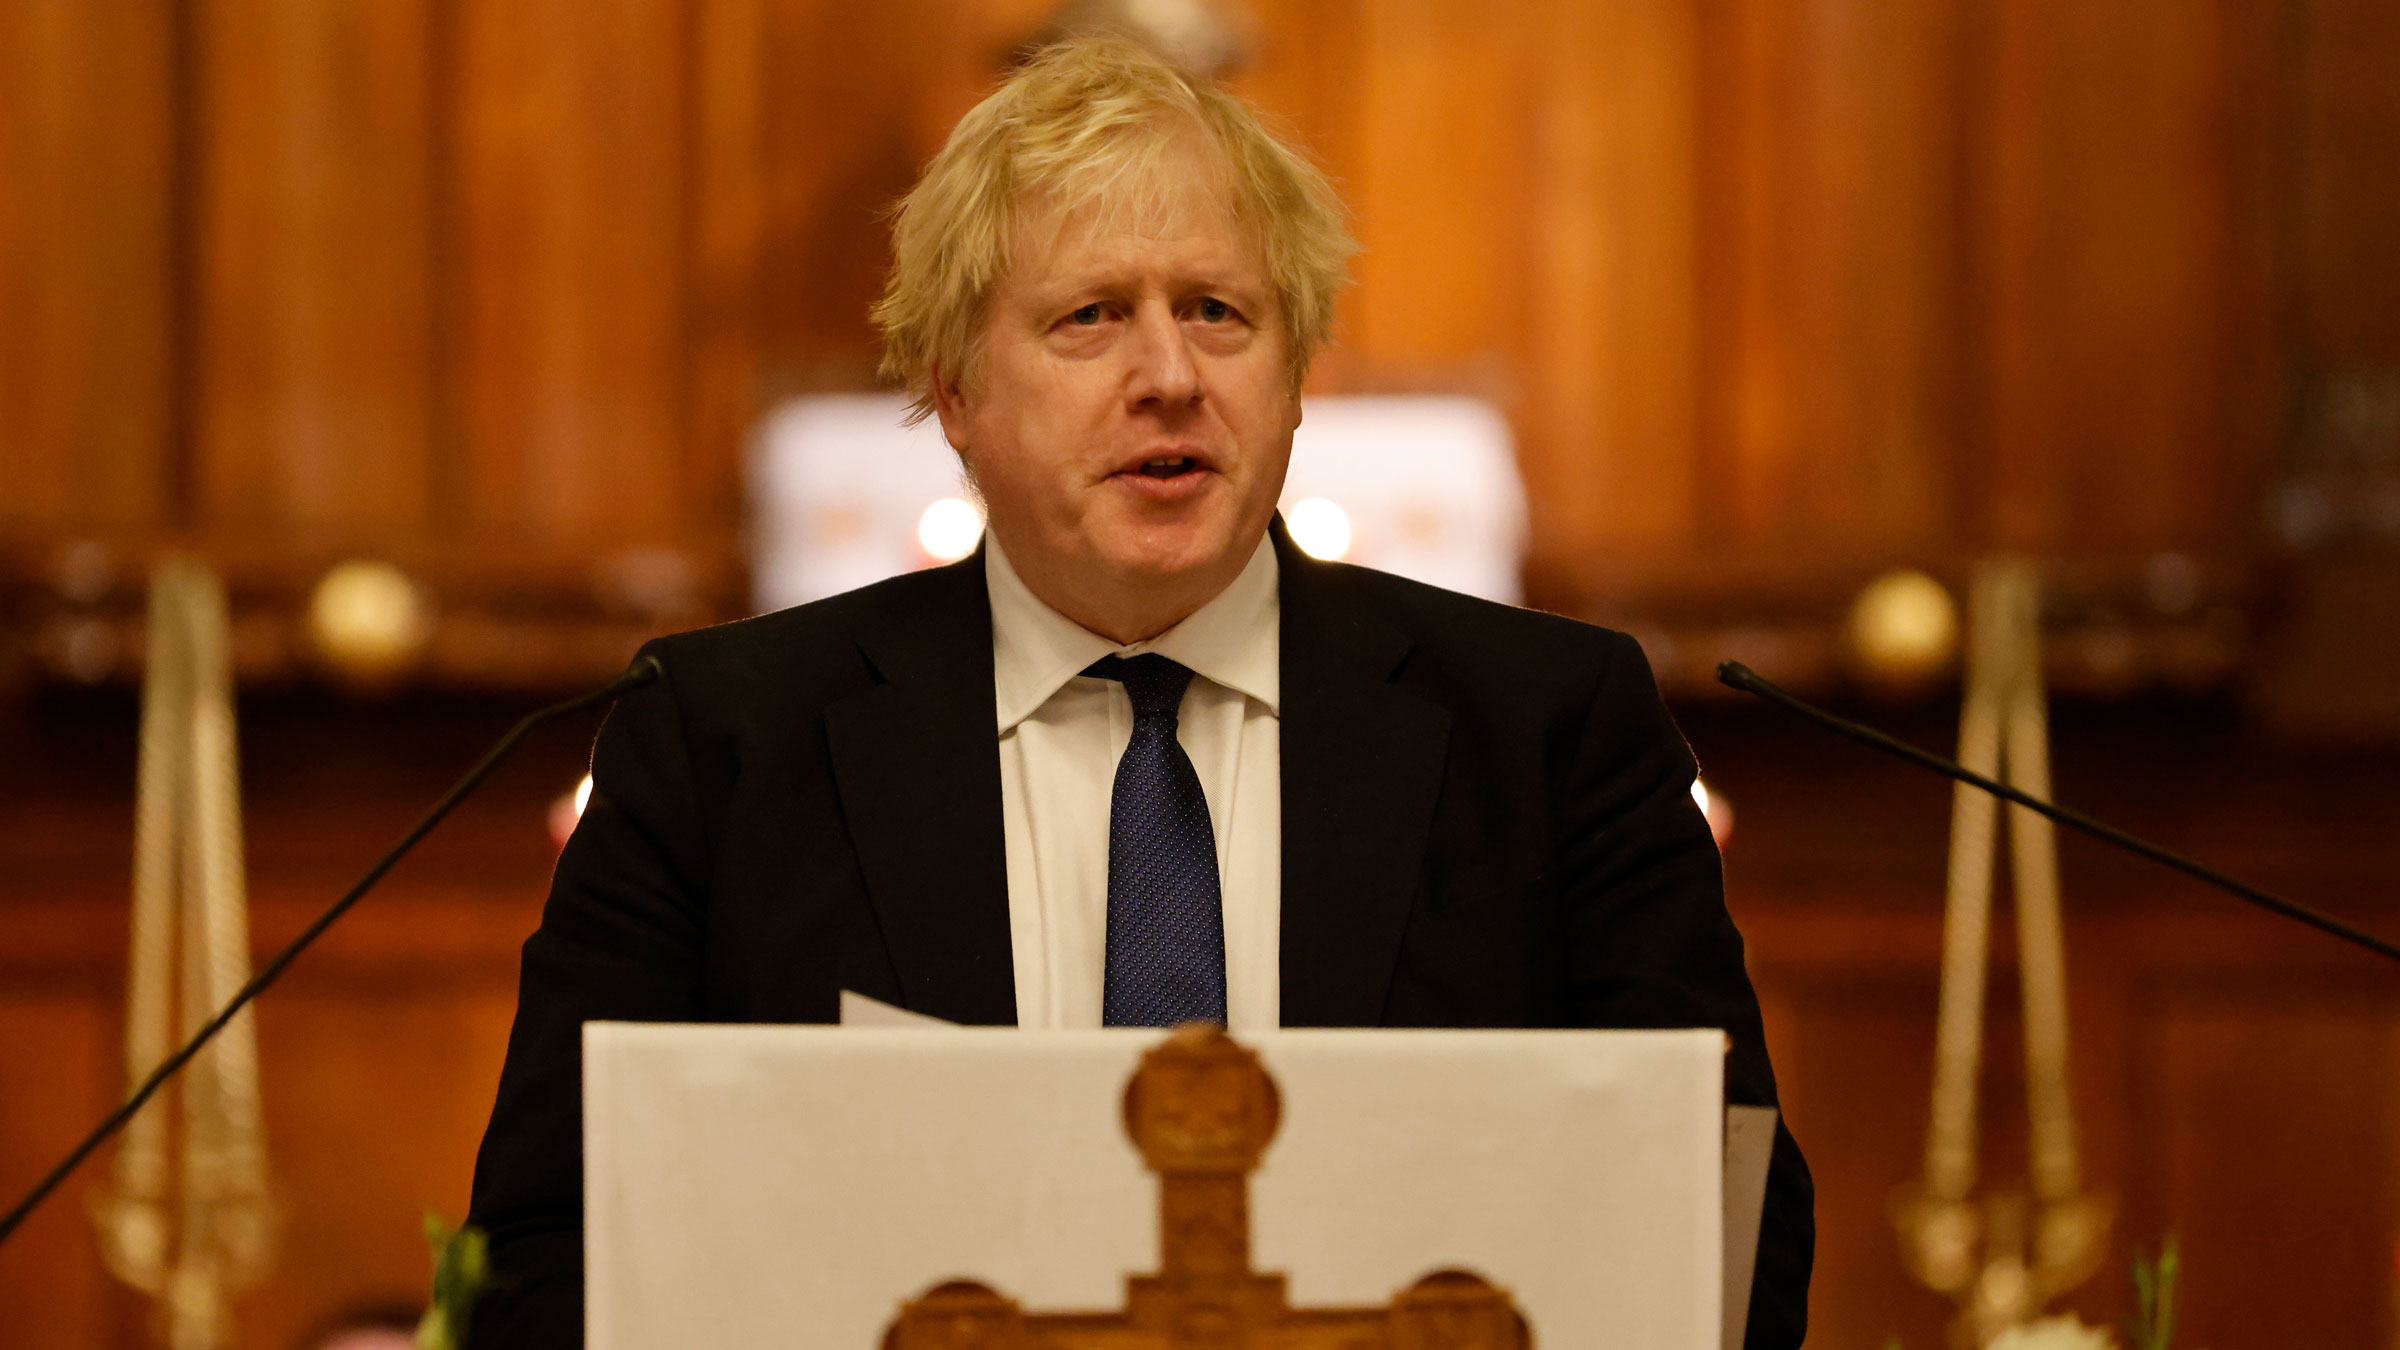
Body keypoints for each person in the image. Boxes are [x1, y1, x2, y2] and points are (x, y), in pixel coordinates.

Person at [467, 34, 1811, 1347]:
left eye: (1220, 312)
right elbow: (548, 1252)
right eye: (1089, 316)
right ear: (952, 387)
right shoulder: (725, 742)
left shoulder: (1551, 729)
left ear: (1294, 376)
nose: (1168, 377)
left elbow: (1729, 1227)